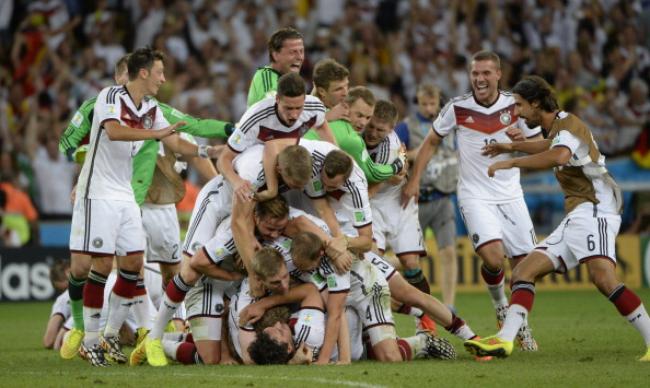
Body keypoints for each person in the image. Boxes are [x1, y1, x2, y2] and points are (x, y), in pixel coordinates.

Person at [464, 75, 650, 362]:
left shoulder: (570, 124)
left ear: (537, 104)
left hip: (597, 207)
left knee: (603, 278)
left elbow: (559, 156)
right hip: (579, 214)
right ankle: (504, 341)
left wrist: (512, 161)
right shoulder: (557, 129)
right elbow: (548, 147)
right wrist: (509, 146)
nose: (518, 112)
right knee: (524, 272)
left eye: (520, 105)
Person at [58, 54, 229, 362]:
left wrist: (207, 149)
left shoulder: (151, 108)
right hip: (98, 193)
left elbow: (176, 142)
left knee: (134, 263)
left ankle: (109, 336)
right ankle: (90, 338)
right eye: (160, 73)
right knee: (96, 265)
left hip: (125, 195)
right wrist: (156, 134)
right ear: (144, 73)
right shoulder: (109, 96)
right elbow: (114, 130)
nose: (164, 79)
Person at [402, 51, 541, 351]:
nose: (479, 79)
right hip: (475, 194)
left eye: (485, 73)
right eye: (475, 73)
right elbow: (431, 141)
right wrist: (414, 180)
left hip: (511, 193)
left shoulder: (515, 106)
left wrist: (521, 142)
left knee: (525, 267)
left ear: (498, 74)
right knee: (492, 257)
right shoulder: (457, 107)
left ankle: (519, 325)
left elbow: (541, 145)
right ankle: (501, 305)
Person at [218, 72, 335, 204]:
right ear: (277, 99)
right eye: (288, 108)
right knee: (251, 172)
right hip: (255, 155)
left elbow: (322, 125)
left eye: (298, 108)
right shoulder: (255, 119)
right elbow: (224, 159)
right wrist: (237, 182)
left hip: (286, 158)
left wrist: (334, 154)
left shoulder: (314, 107)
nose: (294, 115)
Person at [395, 83, 459, 309]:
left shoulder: (449, 125)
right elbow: (396, 154)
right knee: (411, 257)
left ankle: (449, 305)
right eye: (424, 104)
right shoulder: (406, 127)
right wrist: (418, 152)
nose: (429, 108)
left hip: (443, 196)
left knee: (449, 252)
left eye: (433, 103)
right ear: (417, 103)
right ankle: (417, 301)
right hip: (417, 200)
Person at [306, 60, 405, 184]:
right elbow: (373, 173)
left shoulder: (306, 107)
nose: (345, 93)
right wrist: (399, 163)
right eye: (338, 89)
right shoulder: (350, 138)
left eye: (346, 86)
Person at [247, 27, 304, 107]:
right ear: (276, 55)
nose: (300, 57)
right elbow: (272, 108)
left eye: (301, 51)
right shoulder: (265, 75)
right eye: (292, 52)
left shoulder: (292, 82)